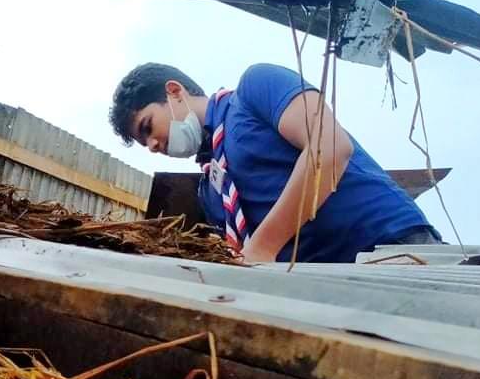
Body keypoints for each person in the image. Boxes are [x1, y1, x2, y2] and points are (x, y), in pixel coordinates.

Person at [108, 63, 442, 263]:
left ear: (174, 92)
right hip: (328, 290)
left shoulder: (255, 89)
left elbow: (330, 147)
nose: (152, 145)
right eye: (143, 143)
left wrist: (263, 247)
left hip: (394, 251)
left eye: (148, 127)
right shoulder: (212, 193)